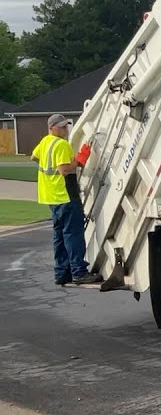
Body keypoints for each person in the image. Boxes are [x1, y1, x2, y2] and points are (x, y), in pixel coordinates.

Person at [31, 114, 102, 286]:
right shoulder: (61, 144)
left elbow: (33, 157)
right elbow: (63, 170)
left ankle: (62, 273)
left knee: (59, 235)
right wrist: (79, 161)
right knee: (73, 234)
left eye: (66, 126)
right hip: (65, 194)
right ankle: (79, 272)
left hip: (50, 196)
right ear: (52, 127)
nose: (65, 129)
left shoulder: (45, 142)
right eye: (62, 126)